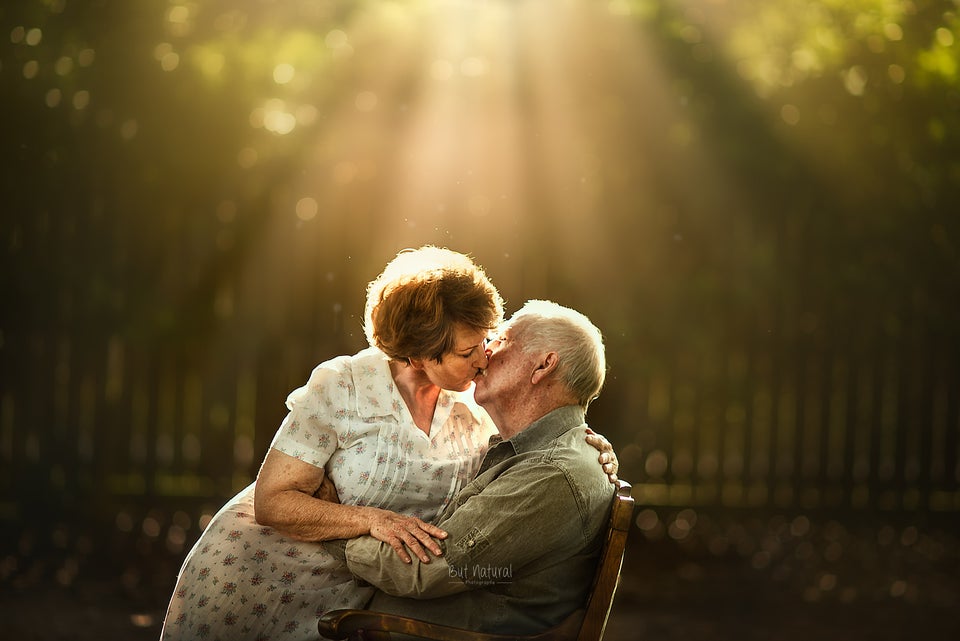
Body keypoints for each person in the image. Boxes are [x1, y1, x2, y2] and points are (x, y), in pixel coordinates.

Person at [160, 248, 618, 641]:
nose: (485, 357)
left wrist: (587, 440)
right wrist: (364, 519)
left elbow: (543, 434)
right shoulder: (344, 386)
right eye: (469, 351)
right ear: (417, 354)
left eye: (487, 340)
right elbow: (272, 503)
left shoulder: (476, 406)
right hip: (266, 581)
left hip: (362, 597)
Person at [326, 299, 616, 636]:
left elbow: (423, 571)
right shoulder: (547, 453)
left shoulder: (551, 473)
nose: (484, 352)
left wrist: (323, 520)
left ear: (544, 366)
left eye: (501, 340)